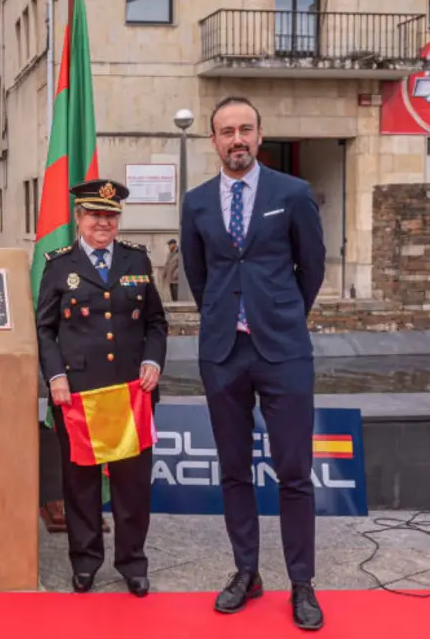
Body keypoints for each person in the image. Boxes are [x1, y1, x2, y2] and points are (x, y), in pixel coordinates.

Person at [179, 96, 326, 630]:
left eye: (245, 129)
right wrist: (227, 318)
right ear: (213, 141)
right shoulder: (195, 203)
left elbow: (311, 267)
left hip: (283, 351)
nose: (236, 139)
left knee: (293, 472)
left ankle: (302, 583)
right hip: (223, 353)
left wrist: (280, 316)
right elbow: (199, 278)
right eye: (225, 131)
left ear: (259, 136)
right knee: (235, 470)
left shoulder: (293, 193)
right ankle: (247, 571)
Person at [36, 179, 168, 595]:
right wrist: (55, 376)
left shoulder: (137, 261)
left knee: (132, 484)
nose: (103, 222)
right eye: (95, 214)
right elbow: (45, 330)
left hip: (131, 390)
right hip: (78, 393)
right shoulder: (59, 264)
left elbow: (155, 322)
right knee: (81, 485)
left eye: (110, 216)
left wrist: (152, 360)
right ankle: (86, 559)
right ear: (79, 217)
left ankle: (132, 562)